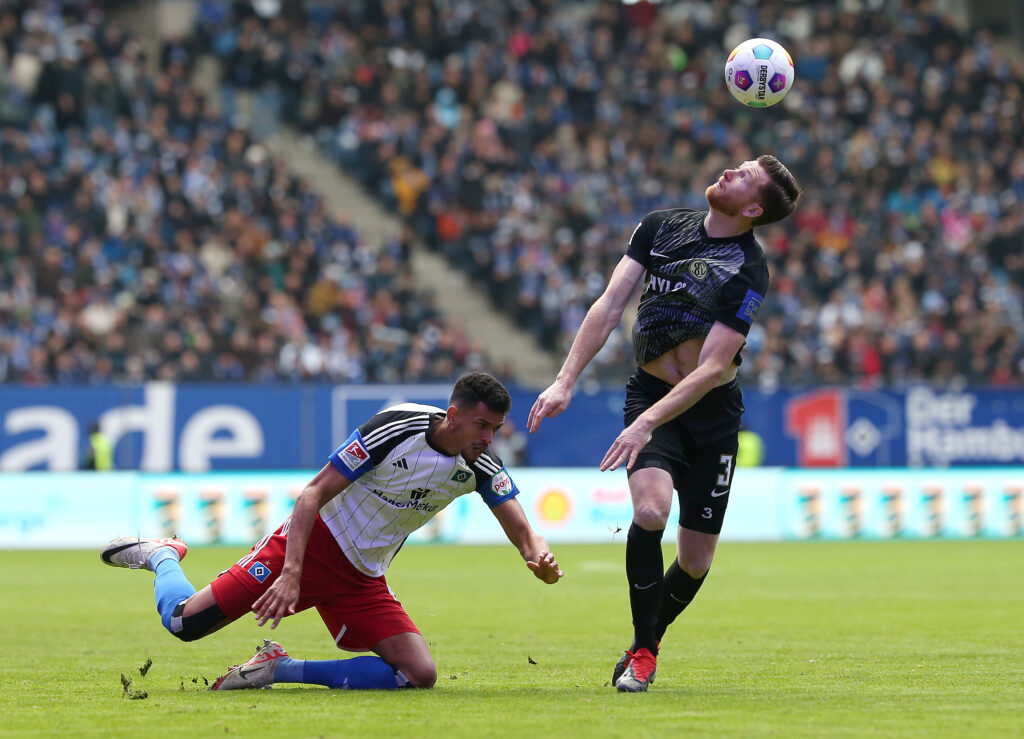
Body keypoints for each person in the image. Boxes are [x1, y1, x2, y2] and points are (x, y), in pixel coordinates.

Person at [101, 372, 562, 691]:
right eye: (482, 425)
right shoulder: (396, 427)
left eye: (496, 429)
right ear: (453, 413)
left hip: (362, 578)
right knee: (183, 622)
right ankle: (161, 554)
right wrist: (291, 573)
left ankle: (277, 669)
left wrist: (537, 557)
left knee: (418, 674)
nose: (488, 438)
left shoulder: (480, 465)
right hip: (307, 548)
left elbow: (523, 529)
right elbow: (310, 495)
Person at [528, 155, 801, 692]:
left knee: (695, 562)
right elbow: (609, 307)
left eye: (743, 177)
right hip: (650, 393)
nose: (729, 172)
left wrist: (642, 424)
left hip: (711, 415)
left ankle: (643, 643)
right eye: (737, 165)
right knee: (650, 510)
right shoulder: (659, 227)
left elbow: (714, 367)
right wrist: (564, 380)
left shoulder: (748, 270)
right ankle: (647, 651)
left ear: (752, 209)